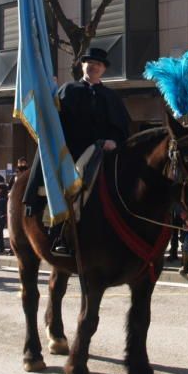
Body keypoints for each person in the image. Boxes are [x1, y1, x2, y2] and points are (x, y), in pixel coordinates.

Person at [52, 46, 131, 256]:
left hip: (110, 153)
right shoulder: (68, 90)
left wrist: (113, 141)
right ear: (82, 65)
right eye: (90, 62)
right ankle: (64, 231)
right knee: (77, 184)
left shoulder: (112, 97)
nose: (94, 66)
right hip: (76, 153)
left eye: (99, 64)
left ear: (104, 69)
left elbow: (123, 128)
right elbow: (57, 124)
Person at [0, 182, 9, 254]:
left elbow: (4, 208)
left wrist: (4, 215)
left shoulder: (4, 198)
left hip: (2, 216)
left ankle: (1, 247)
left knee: (0, 232)